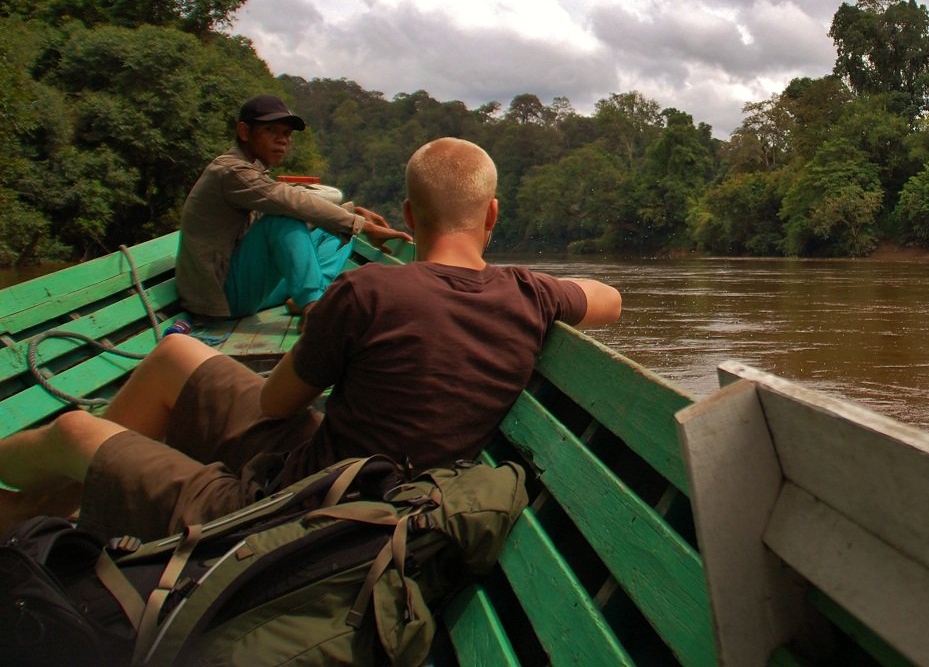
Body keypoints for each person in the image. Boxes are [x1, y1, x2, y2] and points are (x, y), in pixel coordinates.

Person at [0, 137, 622, 541]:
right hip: (352, 478)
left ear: (408, 217)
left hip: (292, 511)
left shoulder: (367, 291)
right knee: (175, 354)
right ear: (492, 215)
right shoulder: (528, 294)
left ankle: (34, 504)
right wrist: (535, 284)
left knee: (74, 430)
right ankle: (63, 499)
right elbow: (609, 299)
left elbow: (275, 404)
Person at [175, 94, 412, 319]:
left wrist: (353, 214)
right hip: (222, 298)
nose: (283, 140)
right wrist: (364, 226)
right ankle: (314, 306)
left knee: (336, 231)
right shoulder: (232, 171)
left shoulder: (252, 169)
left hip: (245, 289)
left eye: (287, 134)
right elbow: (289, 202)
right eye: (271, 130)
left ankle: (315, 295)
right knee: (283, 219)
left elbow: (297, 204)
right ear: (244, 131)